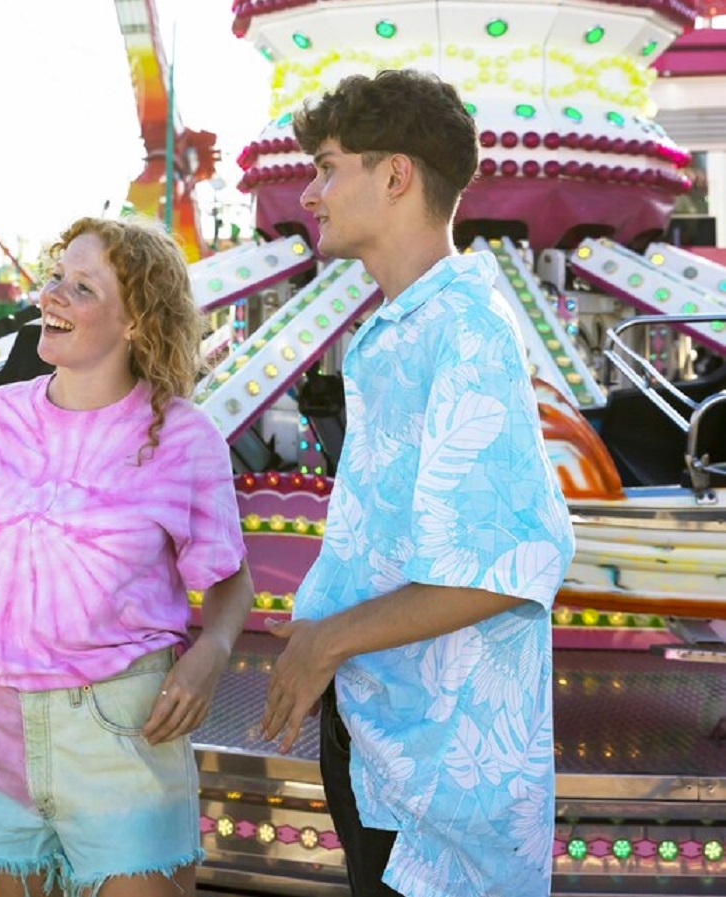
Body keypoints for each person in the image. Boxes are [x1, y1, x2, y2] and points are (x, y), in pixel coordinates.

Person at [260, 70, 575, 897]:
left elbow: (509, 564)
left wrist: (324, 642)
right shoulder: (402, 326)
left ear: (395, 174)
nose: (311, 193)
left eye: (328, 168)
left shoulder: (466, 329)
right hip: (387, 743)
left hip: (441, 786)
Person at [0, 215, 255, 897]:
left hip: (123, 734)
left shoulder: (185, 437)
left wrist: (212, 651)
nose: (52, 295)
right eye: (55, 278)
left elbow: (230, 576)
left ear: (136, 321)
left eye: (82, 287)